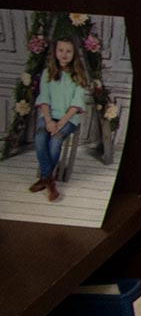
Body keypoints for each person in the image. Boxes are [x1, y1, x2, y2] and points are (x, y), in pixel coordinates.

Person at [29, 36, 92, 202]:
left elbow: (76, 102)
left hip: (68, 118)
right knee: (40, 137)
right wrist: (49, 121)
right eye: (61, 50)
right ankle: (50, 180)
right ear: (55, 52)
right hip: (49, 115)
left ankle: (45, 179)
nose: (64, 55)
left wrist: (62, 122)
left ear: (74, 54)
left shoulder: (78, 75)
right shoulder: (47, 73)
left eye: (68, 51)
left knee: (56, 140)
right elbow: (44, 98)